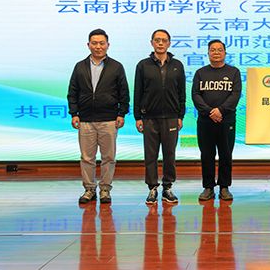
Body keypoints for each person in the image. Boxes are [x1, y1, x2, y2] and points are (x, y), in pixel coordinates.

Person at [67, 28, 129, 204]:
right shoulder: (80, 66)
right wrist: (74, 113)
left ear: (108, 45)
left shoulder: (116, 66)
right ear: (88, 45)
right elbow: (73, 92)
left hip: (109, 119)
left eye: (102, 43)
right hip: (85, 119)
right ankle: (89, 189)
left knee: (108, 157)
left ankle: (105, 189)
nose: (98, 46)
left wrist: (121, 113)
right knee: (87, 157)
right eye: (94, 43)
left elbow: (124, 93)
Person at [134, 29, 186, 205]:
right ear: (152, 43)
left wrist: (180, 115)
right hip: (149, 117)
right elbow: (138, 92)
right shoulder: (143, 65)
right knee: (150, 155)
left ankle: (167, 187)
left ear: (169, 43)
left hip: (171, 117)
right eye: (157, 40)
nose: (160, 43)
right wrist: (138, 117)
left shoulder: (177, 65)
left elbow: (181, 93)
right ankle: (152, 188)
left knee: (169, 154)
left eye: (164, 40)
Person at [192, 40, 241, 201]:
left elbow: (235, 95)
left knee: (226, 153)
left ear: (225, 53)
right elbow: (195, 95)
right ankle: (208, 187)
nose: (216, 52)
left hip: (226, 120)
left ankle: (224, 187)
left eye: (220, 50)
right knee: (207, 154)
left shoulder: (234, 72)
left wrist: (220, 110)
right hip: (205, 121)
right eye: (213, 50)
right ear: (208, 53)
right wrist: (209, 112)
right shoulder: (200, 73)